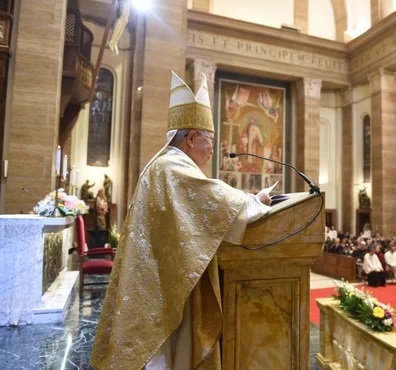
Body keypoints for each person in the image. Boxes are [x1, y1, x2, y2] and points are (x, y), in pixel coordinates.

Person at [91, 72, 271, 370]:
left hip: (162, 276)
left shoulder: (165, 165)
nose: (213, 148)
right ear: (190, 138)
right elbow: (214, 201)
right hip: (160, 283)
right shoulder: (172, 166)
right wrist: (257, 202)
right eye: (209, 141)